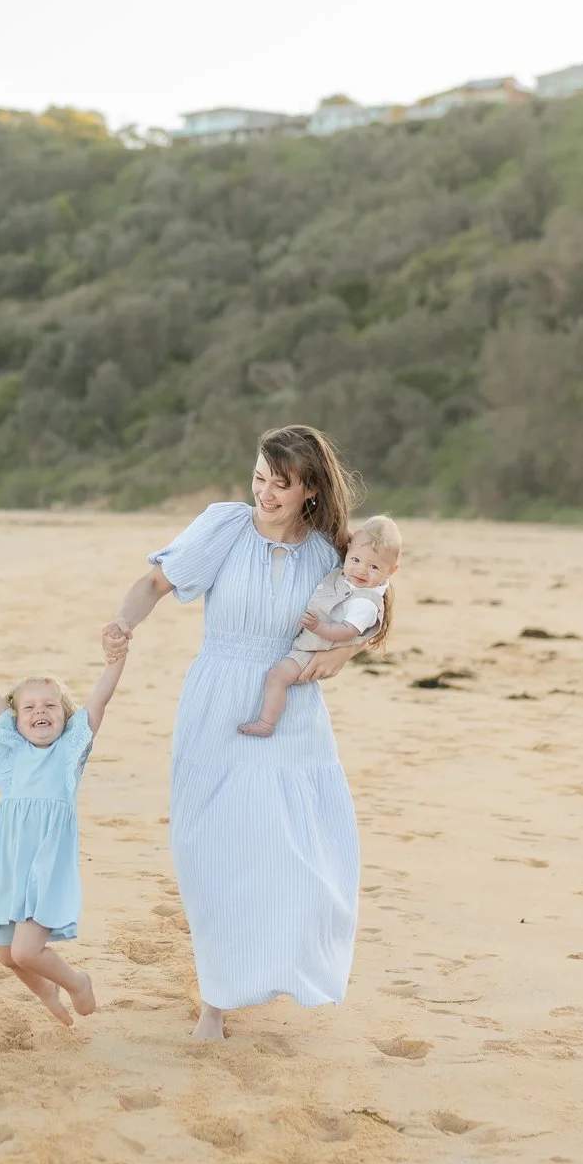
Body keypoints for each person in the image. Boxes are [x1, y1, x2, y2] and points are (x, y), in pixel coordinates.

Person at [102, 425, 365, 1040]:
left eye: (281, 483)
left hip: (292, 712)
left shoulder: (331, 553)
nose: (265, 493)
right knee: (211, 851)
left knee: (297, 852)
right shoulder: (224, 528)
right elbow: (154, 584)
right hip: (218, 700)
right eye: (259, 477)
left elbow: (372, 609)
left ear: (309, 490)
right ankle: (216, 999)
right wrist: (122, 624)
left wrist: (345, 655)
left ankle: (278, 968)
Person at [0, 640, 126, 1024]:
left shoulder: (69, 754)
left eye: (50, 706)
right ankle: (47, 991)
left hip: (46, 867)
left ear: (66, 717)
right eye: (29, 708)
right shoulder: (11, 753)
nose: (40, 712)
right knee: (7, 956)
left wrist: (117, 661)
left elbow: (98, 703)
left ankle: (77, 981)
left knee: (26, 951)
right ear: (15, 721)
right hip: (9, 864)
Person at [239, 515, 400, 738]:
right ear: (348, 551)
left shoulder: (365, 603)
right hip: (310, 641)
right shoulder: (347, 578)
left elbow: (347, 632)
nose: (361, 570)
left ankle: (266, 723)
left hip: (316, 649)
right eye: (355, 560)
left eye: (373, 566)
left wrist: (317, 627)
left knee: (277, 677)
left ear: (390, 571)